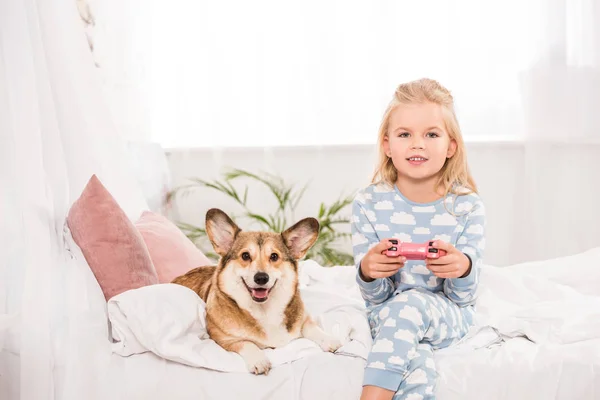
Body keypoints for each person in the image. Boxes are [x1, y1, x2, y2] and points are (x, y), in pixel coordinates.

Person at [352, 78, 486, 400]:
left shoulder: (466, 206)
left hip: (448, 314)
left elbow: (463, 297)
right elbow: (376, 298)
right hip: (388, 315)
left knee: (411, 305)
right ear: (387, 145)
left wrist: (461, 267)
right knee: (418, 365)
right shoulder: (368, 203)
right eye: (404, 134)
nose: (417, 144)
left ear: (451, 145)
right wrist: (369, 271)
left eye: (431, 134)